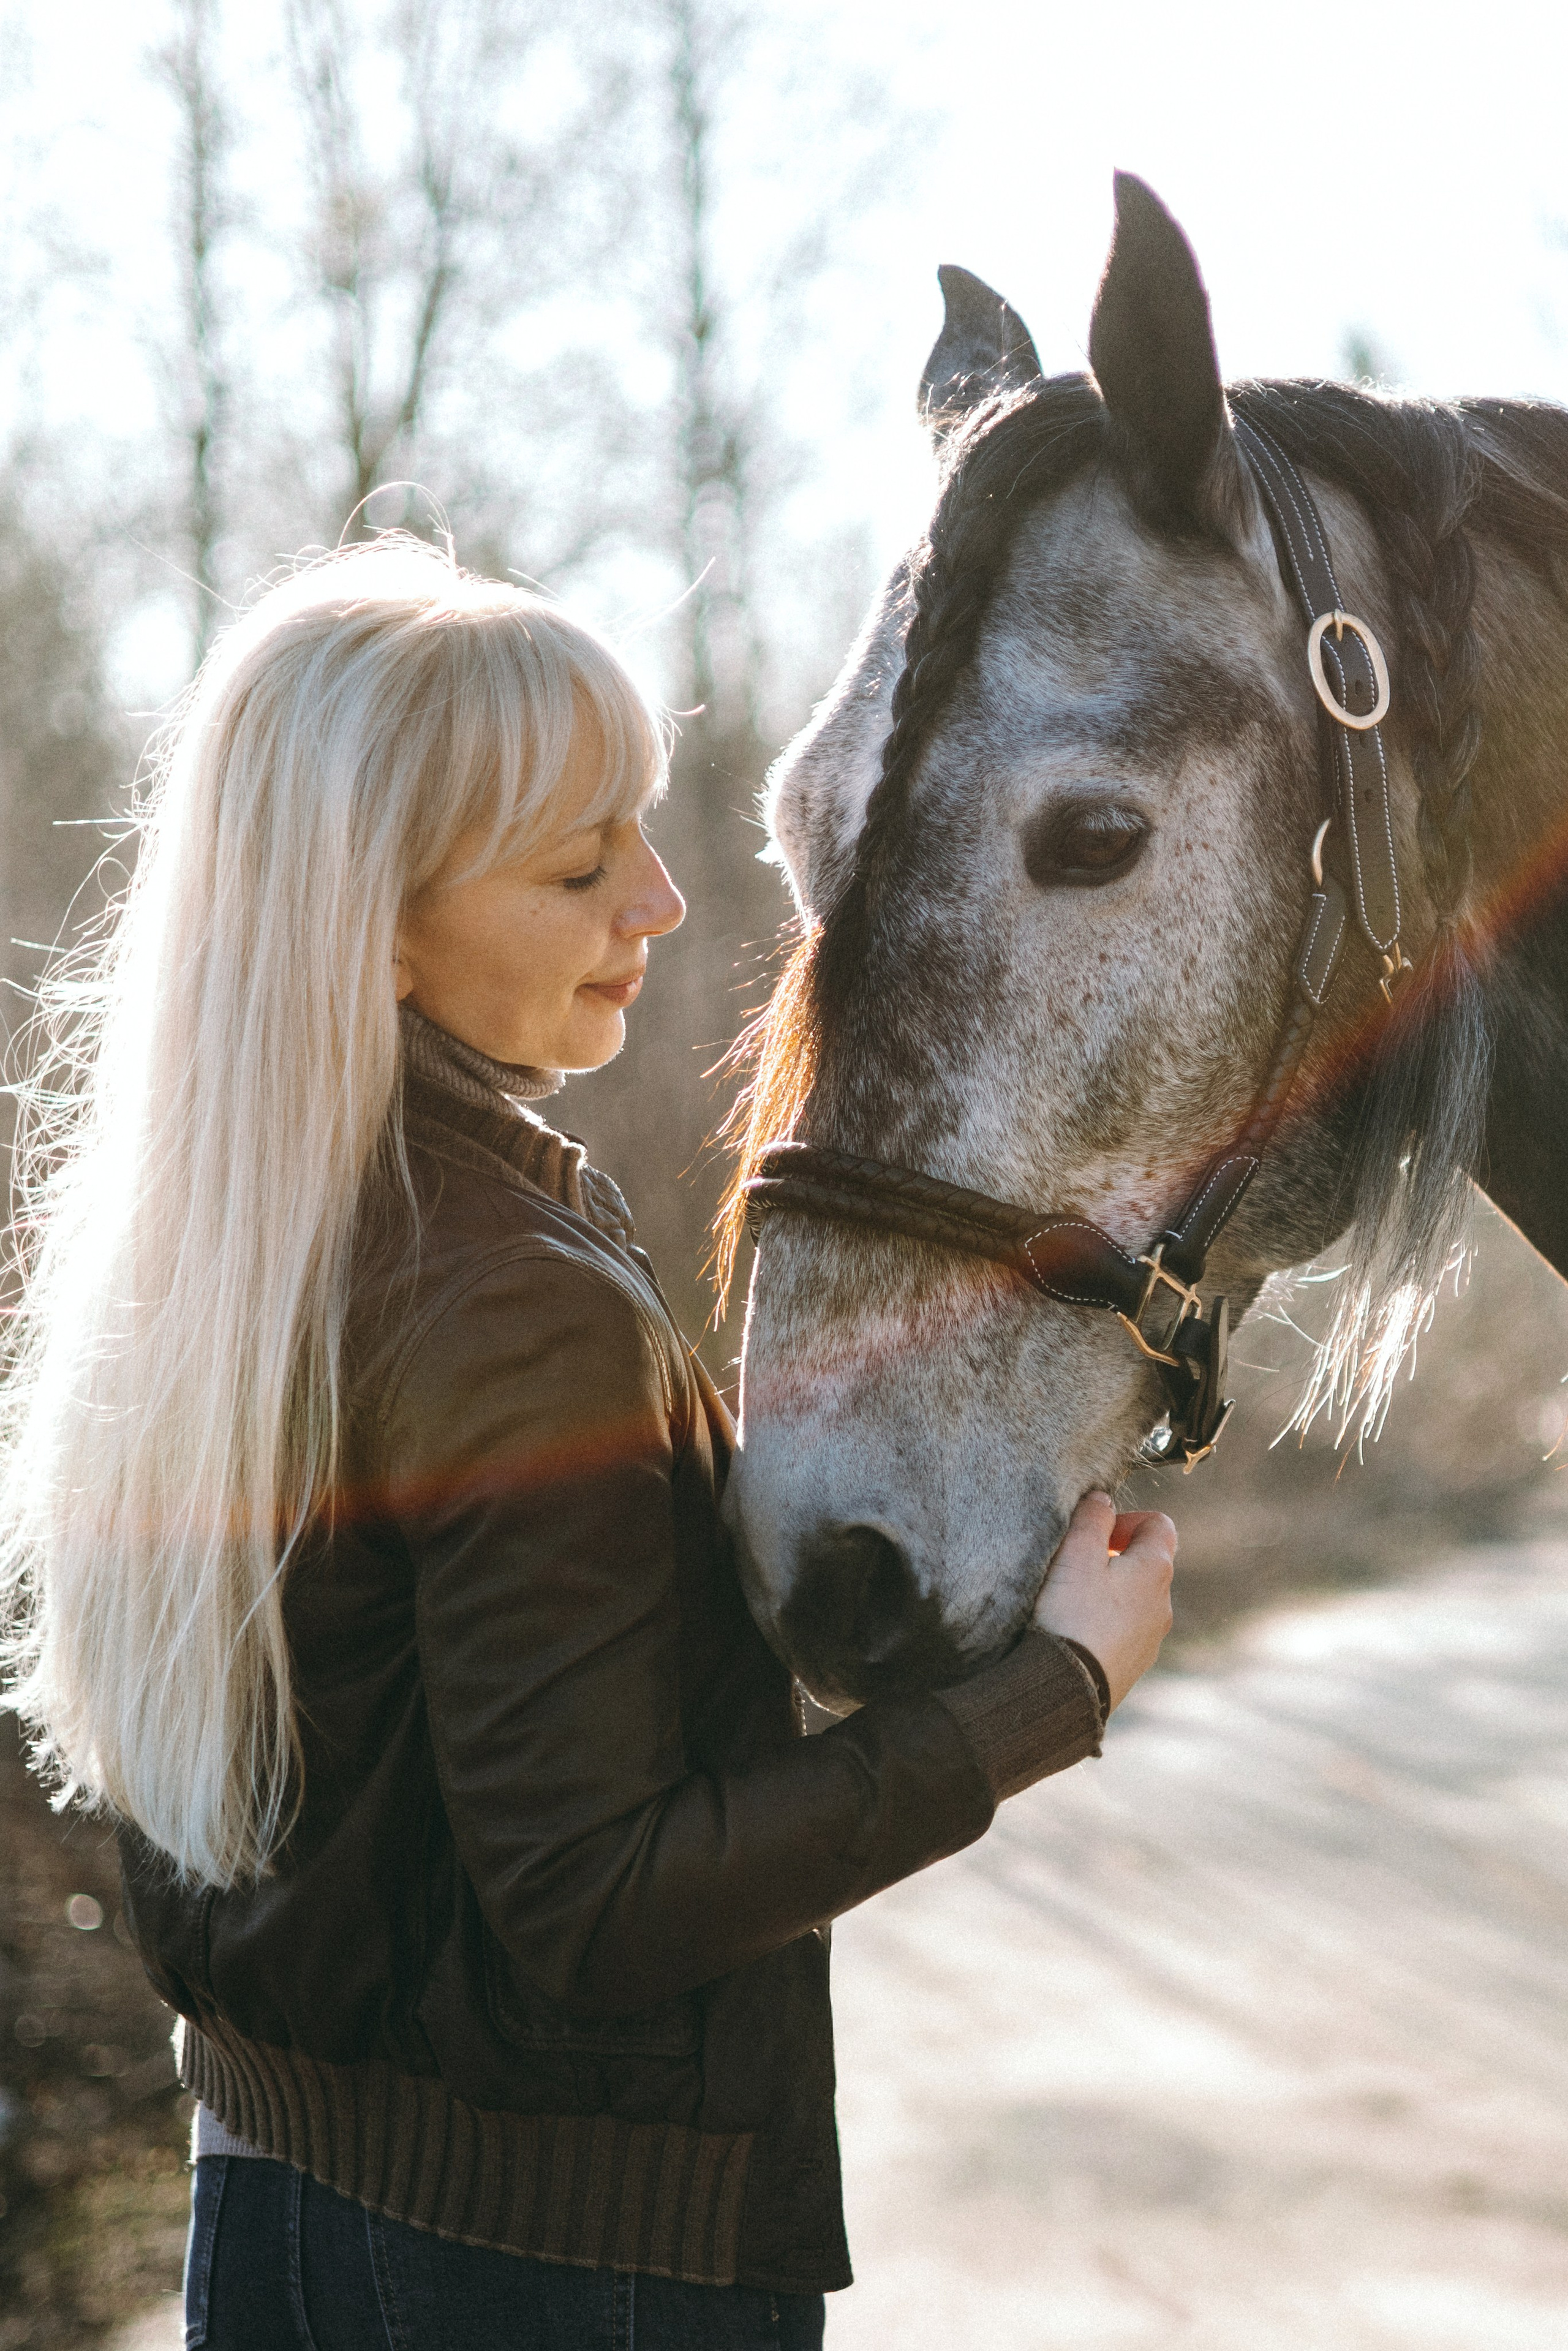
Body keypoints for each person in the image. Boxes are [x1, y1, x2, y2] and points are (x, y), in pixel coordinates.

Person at [0, 540, 1176, 2349]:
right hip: (555, 2275)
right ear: (373, 922)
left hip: (278, 2202)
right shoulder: (499, 1295)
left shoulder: (229, 1241)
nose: (663, 901)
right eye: (577, 865)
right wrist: (1054, 1695)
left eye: (636, 826)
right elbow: (602, 1907)